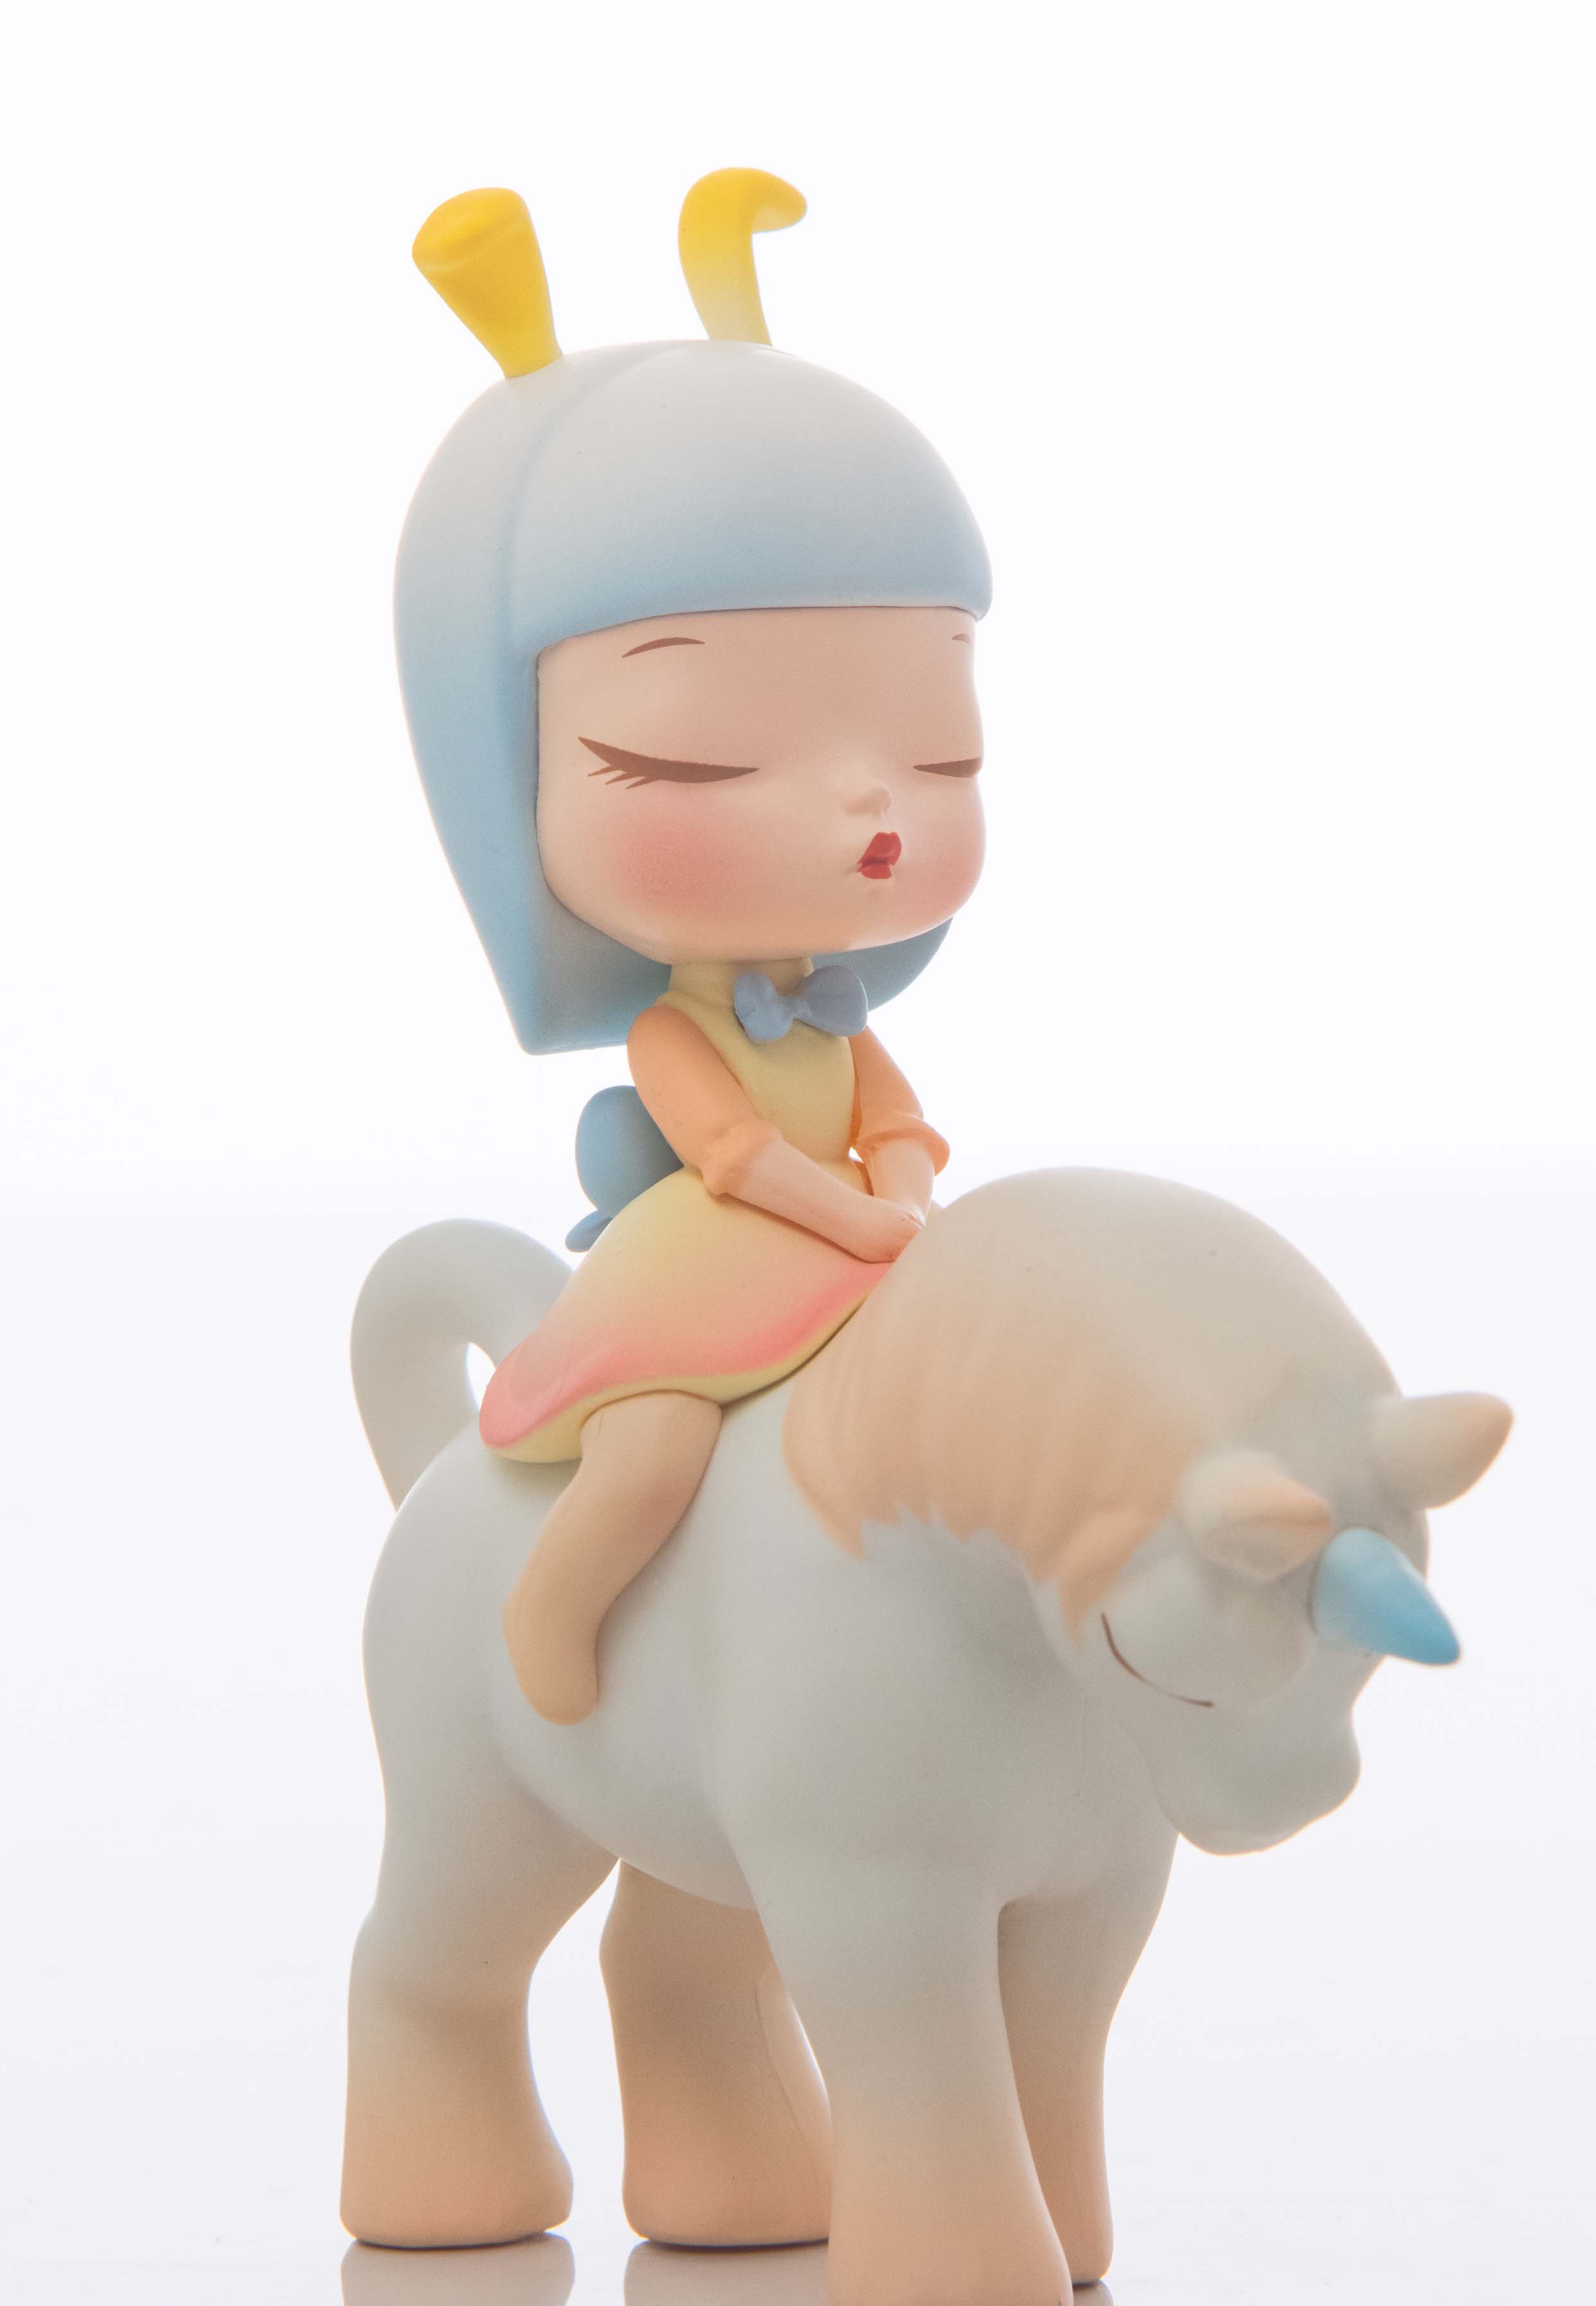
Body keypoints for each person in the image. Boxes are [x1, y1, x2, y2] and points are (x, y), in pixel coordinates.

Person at [395, 172, 993, 1721]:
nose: (866, 800)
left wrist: (906, 1196)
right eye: (699, 757)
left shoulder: (833, 1009)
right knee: (657, 1447)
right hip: (709, 1265)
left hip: (868, 1241)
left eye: (941, 748)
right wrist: (850, 1218)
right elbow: (729, 1154)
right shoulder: (677, 1029)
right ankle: (551, 1608)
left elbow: (895, 1116)